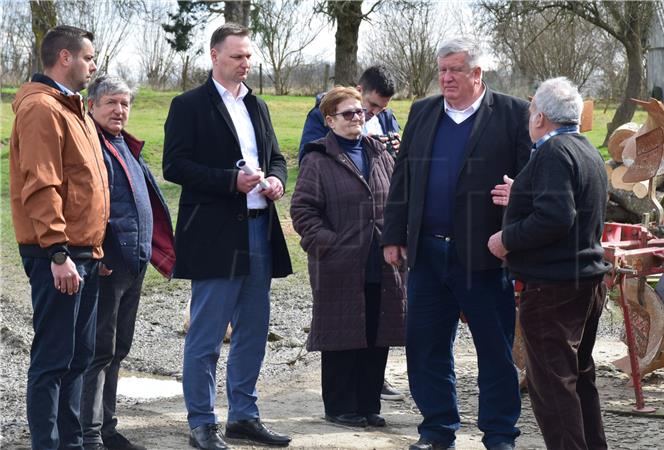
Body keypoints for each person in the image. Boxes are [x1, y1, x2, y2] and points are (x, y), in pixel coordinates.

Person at [382, 37, 531, 450]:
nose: (446, 78)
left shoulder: (513, 114)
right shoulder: (423, 111)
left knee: (496, 350)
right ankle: (436, 430)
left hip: (485, 253)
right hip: (426, 252)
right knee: (426, 346)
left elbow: (529, 181)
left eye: (455, 70)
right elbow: (403, 177)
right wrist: (393, 234)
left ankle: (500, 434)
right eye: (442, 70)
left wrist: (517, 212)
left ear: (477, 73)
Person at [162, 23, 293, 450]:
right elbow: (174, 166)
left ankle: (243, 417)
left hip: (260, 230)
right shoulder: (189, 105)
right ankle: (202, 422)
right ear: (214, 56)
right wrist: (229, 181)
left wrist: (275, 180)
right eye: (237, 56)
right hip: (215, 234)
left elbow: (276, 157)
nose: (246, 63)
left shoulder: (258, 105)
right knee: (206, 336)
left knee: (253, 332)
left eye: (249, 56)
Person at [487, 77, 611, 450]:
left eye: (530, 112)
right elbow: (566, 202)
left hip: (553, 288)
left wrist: (505, 240)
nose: (528, 117)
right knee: (579, 378)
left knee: (553, 390)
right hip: (585, 283)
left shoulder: (552, 154)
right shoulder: (585, 149)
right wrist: (523, 192)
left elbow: (557, 217)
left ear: (540, 116)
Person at [9, 25, 108, 450]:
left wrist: (93, 246)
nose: (94, 64)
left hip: (84, 252)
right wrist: (58, 251)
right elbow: (41, 184)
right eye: (89, 57)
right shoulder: (42, 109)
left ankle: (73, 443)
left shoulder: (73, 107)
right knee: (53, 359)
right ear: (64, 58)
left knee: (78, 358)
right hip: (59, 255)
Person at [290, 86, 407, 428]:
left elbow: (399, 199)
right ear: (329, 120)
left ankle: (369, 404)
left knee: (376, 331)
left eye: (360, 112)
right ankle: (340, 406)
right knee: (344, 334)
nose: (357, 118)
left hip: (382, 260)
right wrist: (329, 244)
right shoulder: (317, 159)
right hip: (339, 262)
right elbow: (303, 211)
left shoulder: (381, 153)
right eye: (348, 113)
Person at [79, 75, 176, 450]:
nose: (120, 110)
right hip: (105, 266)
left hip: (132, 267)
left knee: (118, 349)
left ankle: (106, 427)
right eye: (111, 103)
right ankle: (88, 433)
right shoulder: (92, 146)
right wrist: (94, 252)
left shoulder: (124, 145)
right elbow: (88, 206)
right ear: (92, 106)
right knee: (98, 350)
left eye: (125, 103)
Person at [298, 65, 401, 164]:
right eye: (373, 104)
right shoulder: (323, 116)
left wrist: (402, 153)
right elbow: (306, 160)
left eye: (382, 108)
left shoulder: (387, 118)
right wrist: (363, 146)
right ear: (359, 90)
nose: (375, 112)